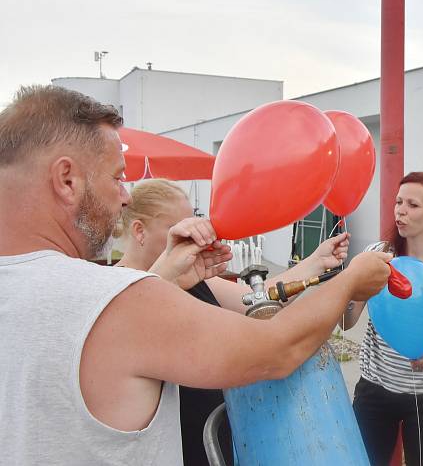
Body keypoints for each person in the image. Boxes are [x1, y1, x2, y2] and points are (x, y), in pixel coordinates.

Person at [0, 84, 391, 464]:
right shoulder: (110, 298)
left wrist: (165, 273)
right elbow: (277, 349)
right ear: (67, 180)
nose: (124, 196)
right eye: (118, 177)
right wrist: (351, 281)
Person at [114, 178, 353, 465]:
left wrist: (315, 260)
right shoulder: (116, 290)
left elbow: (257, 298)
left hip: (218, 431)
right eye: (177, 232)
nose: (192, 243)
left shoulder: (191, 276)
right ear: (139, 231)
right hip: (172, 443)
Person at [341, 171, 423, 466]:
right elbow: (348, 321)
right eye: (398, 202)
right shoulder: (377, 256)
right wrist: (344, 284)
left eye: (412, 205)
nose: (400, 210)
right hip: (375, 389)